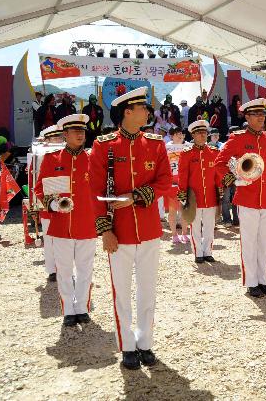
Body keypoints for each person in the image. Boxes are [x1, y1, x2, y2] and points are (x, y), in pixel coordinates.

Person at [89, 87, 171, 369]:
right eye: (143, 108)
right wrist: (105, 230)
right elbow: (94, 191)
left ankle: (145, 343)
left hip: (148, 230)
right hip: (119, 231)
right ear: (127, 111)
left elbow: (164, 182)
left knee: (147, 289)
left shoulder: (156, 144)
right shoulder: (103, 145)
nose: (148, 112)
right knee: (121, 292)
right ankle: (127, 346)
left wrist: (135, 196)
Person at [214, 98, 266, 298]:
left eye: (262, 114)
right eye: (256, 114)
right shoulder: (237, 139)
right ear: (246, 117)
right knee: (249, 242)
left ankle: (264, 280)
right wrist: (233, 180)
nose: (261, 117)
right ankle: (251, 281)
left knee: (265, 242)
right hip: (247, 198)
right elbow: (219, 163)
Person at [35, 114, 97, 327]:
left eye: (82, 131)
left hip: (87, 224)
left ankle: (82, 307)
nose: (80, 134)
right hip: (61, 225)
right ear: (65, 134)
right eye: (75, 131)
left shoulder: (93, 159)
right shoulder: (52, 159)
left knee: (85, 269)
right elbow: (39, 189)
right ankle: (68, 309)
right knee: (63, 269)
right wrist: (52, 203)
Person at [178, 120, 220, 263]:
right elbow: (183, 175)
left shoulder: (214, 152)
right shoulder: (186, 154)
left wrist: (221, 187)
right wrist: (182, 194)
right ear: (193, 135)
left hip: (210, 196)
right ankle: (198, 253)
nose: (203, 136)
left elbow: (218, 174)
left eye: (205, 133)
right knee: (195, 226)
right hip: (194, 197)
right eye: (199, 133)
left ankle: (208, 251)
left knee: (209, 226)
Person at [34, 125, 64, 282]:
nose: (58, 140)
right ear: (47, 139)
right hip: (47, 203)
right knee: (50, 237)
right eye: (54, 138)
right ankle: (52, 270)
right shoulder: (39, 155)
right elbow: (34, 179)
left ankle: (65, 268)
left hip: (67, 203)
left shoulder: (66, 153)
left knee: (67, 237)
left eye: (60, 137)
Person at [165, 126, 190, 244]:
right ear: (172, 136)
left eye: (182, 134)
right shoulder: (166, 148)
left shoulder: (189, 147)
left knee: (185, 210)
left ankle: (185, 233)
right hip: (172, 184)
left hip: (185, 183)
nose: (180, 136)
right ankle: (174, 234)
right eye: (177, 134)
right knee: (172, 210)